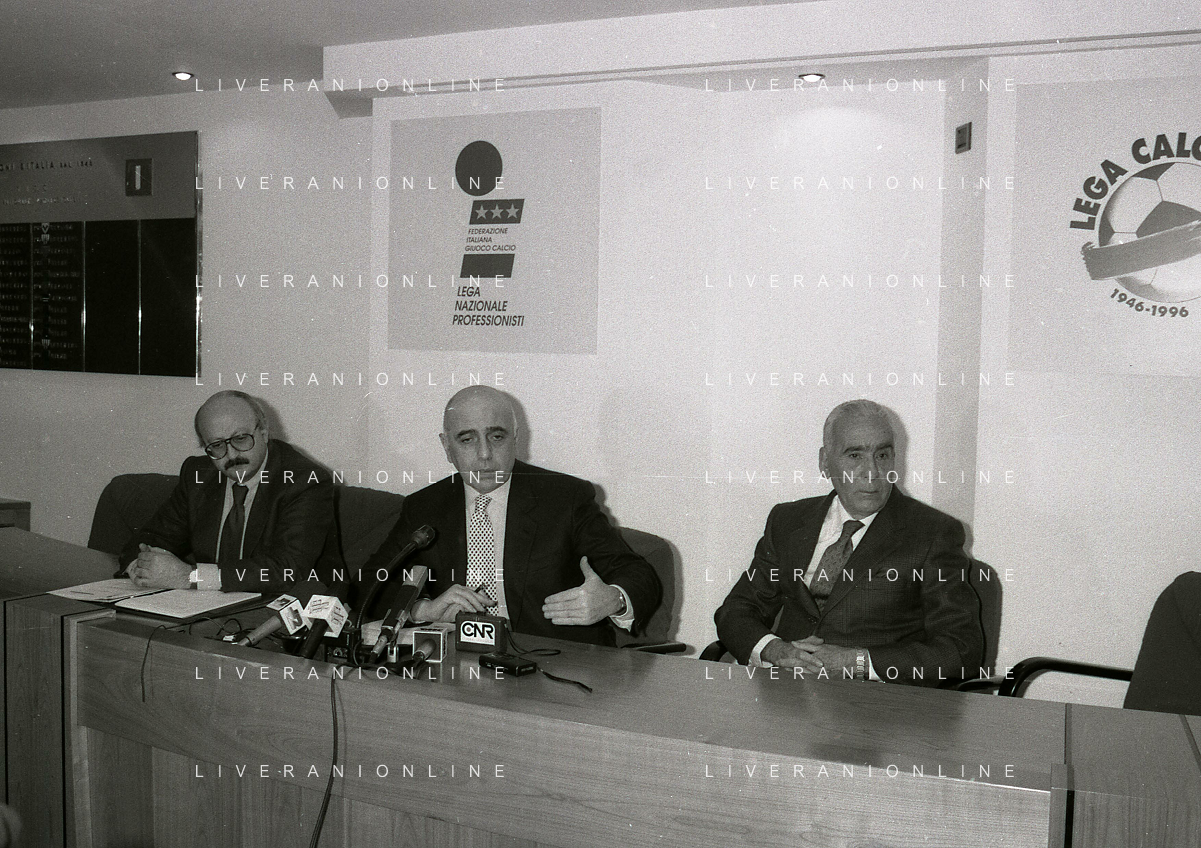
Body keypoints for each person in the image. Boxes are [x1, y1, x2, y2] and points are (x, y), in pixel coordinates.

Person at [363, 386, 661, 646]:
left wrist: (613, 599)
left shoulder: (565, 498)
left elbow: (637, 573)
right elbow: (369, 584)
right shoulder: (425, 506)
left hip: (552, 663)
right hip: (456, 662)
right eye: (467, 440)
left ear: (515, 438)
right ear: (447, 446)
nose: (484, 454)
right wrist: (422, 610)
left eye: (496, 437)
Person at [714, 399, 983, 686]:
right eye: (855, 455)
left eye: (882, 455)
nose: (872, 471)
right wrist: (774, 650)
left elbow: (962, 650)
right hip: (787, 695)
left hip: (876, 703)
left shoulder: (933, 534)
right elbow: (736, 611)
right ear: (824, 461)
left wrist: (857, 663)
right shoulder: (788, 521)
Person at [118, 390, 343, 594]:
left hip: (293, 607)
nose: (232, 454)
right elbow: (152, 537)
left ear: (264, 432)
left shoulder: (305, 480)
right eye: (217, 445)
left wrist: (190, 576)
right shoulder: (197, 474)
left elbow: (287, 569)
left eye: (241, 439)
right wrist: (141, 568)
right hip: (211, 605)